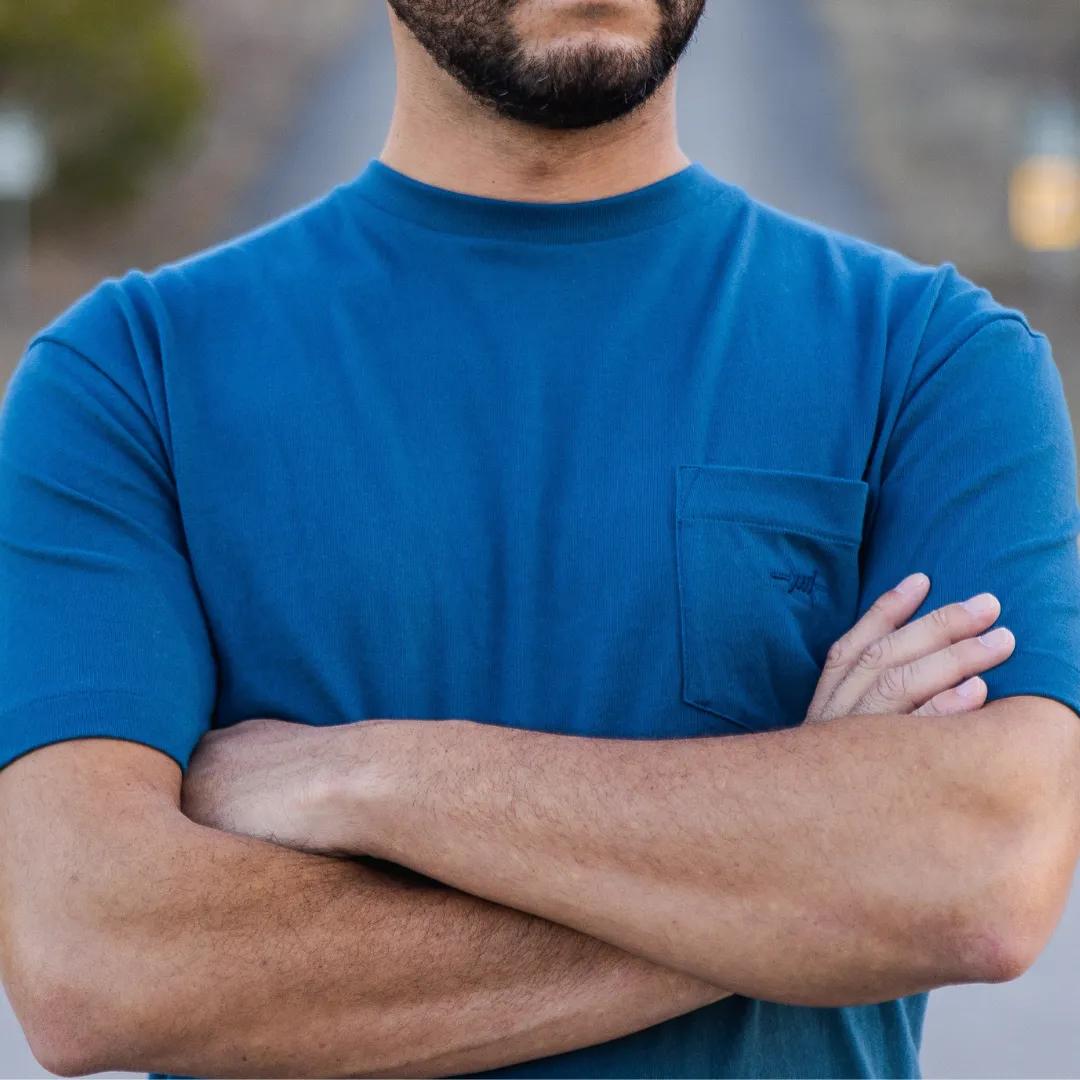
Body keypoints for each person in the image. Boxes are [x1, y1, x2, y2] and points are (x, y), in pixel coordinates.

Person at [1, 0, 1079, 1076]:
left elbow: (974, 879)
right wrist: (815, 884)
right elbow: (97, 959)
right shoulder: (126, 382)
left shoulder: (934, 364)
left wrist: (365, 780)